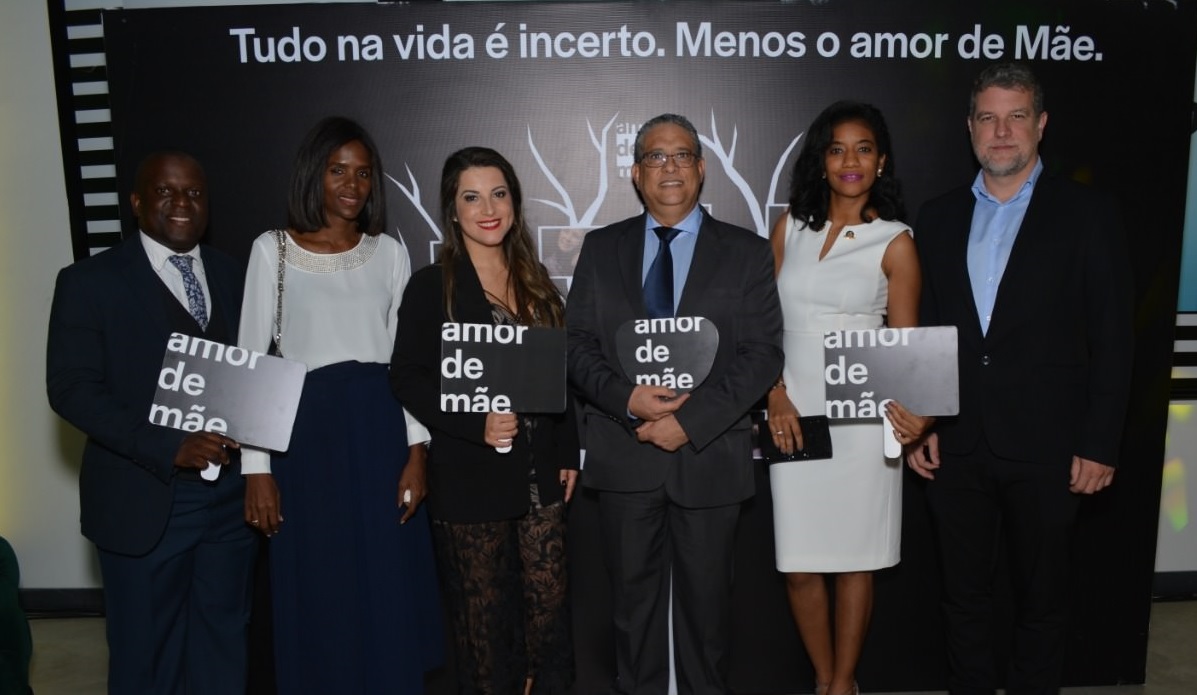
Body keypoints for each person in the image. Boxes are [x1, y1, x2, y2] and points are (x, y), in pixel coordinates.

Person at [908, 63, 1133, 694]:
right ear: (970, 128)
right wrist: (922, 419)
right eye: (988, 117)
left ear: (1041, 124)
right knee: (962, 599)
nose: (1001, 131)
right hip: (955, 443)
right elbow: (927, 324)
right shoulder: (938, 216)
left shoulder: (1088, 213)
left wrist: (1100, 442)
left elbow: (1114, 337)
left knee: (1043, 601)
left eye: (1016, 117)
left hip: (1051, 446)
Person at [566, 113, 783, 695]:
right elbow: (576, 344)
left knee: (708, 619)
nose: (670, 167)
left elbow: (762, 354)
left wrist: (688, 422)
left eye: (682, 155)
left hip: (708, 457)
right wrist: (628, 400)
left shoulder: (747, 252)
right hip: (625, 452)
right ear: (636, 173)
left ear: (701, 169)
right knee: (630, 614)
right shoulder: (601, 248)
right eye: (656, 157)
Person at [237, 116, 442, 694]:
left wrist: (417, 453)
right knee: (320, 586)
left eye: (363, 173)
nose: (353, 184)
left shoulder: (389, 254)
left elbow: (407, 365)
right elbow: (251, 362)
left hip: (381, 438)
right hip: (306, 445)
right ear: (314, 174)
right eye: (338, 170)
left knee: (386, 582)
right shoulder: (271, 251)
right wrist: (256, 470)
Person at [46, 151, 255, 694]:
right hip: (141, 500)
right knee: (145, 661)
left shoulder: (234, 275)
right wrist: (168, 446)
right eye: (165, 191)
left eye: (194, 193)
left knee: (222, 649)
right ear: (136, 202)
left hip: (228, 507)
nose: (181, 203)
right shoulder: (88, 282)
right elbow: (71, 390)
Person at [390, 146, 579, 695]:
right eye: (471, 198)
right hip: (470, 479)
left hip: (541, 478)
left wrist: (567, 450)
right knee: (487, 632)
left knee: (548, 624)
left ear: (514, 203)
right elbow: (406, 377)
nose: (488, 209)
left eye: (498, 194)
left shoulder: (536, 280)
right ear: (452, 211)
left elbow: (559, 372)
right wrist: (476, 424)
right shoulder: (433, 285)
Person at [765, 101, 927, 695]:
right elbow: (762, 327)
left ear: (881, 161)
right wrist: (773, 393)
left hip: (862, 422)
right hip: (793, 414)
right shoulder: (789, 228)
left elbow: (906, 349)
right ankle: (823, 677)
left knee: (857, 561)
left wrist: (917, 421)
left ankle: (841, 685)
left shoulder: (895, 241)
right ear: (821, 160)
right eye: (837, 149)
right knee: (799, 564)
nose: (850, 160)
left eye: (863, 148)